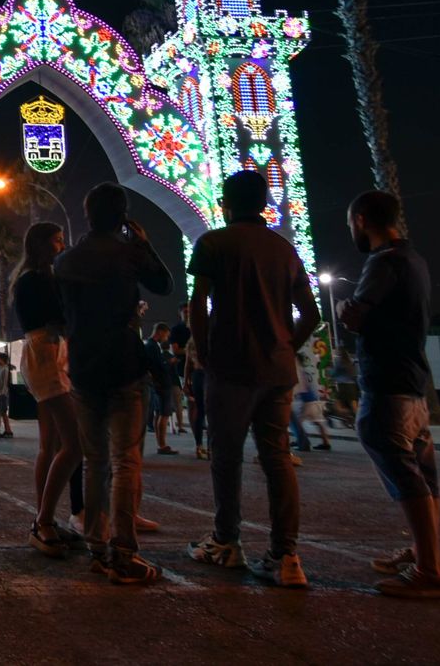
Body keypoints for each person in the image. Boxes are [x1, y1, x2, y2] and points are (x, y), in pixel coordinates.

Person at [186, 170, 320, 589]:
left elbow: (198, 302)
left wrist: (204, 349)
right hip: (277, 370)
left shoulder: (213, 243)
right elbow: (311, 314)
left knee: (227, 457)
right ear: (264, 204)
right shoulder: (285, 249)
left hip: (231, 365)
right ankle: (286, 555)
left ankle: (227, 541)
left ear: (225, 202)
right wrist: (285, 344)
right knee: (277, 457)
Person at [337, 190, 440, 599]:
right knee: (423, 476)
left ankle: (430, 570)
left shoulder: (383, 262)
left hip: (387, 382)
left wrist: (341, 309)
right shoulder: (415, 260)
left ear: (360, 220)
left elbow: (357, 315)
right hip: (413, 382)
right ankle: (424, 554)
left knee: (407, 477)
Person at [54, 183, 172, 583]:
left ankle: (96, 546)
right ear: (123, 216)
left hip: (85, 368)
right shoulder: (130, 253)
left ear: (86, 214)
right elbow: (164, 285)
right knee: (126, 461)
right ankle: (123, 551)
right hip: (124, 364)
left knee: (95, 461)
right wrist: (145, 243)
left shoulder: (66, 260)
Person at [11, 221, 84, 557]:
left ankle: (46, 520)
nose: (62, 245)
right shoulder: (38, 280)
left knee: (51, 445)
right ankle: (43, 522)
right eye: (56, 240)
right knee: (74, 444)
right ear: (42, 245)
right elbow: (58, 319)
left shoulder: (30, 278)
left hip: (46, 352)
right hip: (47, 353)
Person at [144, 324, 178, 455]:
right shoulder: (153, 346)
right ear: (160, 332)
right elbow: (158, 365)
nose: (166, 338)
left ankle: (161, 443)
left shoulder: (150, 345)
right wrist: (168, 363)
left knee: (159, 413)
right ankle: (162, 444)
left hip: (157, 384)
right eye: (166, 335)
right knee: (164, 414)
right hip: (162, 384)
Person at [292, 344, 332, 452]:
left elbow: (300, 387)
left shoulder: (297, 370)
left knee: (297, 422)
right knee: (318, 421)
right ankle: (326, 442)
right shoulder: (304, 370)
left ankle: (301, 440)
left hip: (306, 400)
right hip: (313, 398)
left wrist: (294, 395)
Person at [169, 305, 192, 435]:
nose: (187, 313)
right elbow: (175, 350)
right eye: (185, 311)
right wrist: (192, 351)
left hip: (197, 369)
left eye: (189, 311)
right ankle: (180, 424)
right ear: (180, 313)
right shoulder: (176, 330)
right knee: (180, 399)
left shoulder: (197, 327)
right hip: (181, 369)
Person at [0, 353, 14, 438]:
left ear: (1, 359)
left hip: (2, 394)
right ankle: (3, 429)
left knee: (3, 412)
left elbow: (3, 384)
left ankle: (8, 430)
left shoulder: (5, 369)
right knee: (1, 412)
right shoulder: (1, 368)